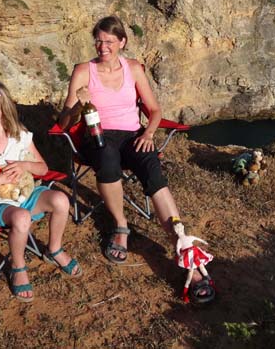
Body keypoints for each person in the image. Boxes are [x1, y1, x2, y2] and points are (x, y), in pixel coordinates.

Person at [59, 16, 215, 303]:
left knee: (152, 168)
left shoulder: (133, 69)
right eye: (99, 40)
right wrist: (78, 105)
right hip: (97, 137)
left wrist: (149, 134)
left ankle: (183, 247)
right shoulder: (84, 71)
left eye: (109, 41)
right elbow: (64, 122)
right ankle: (120, 226)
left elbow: (154, 110)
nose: (103, 46)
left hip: (133, 134)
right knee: (106, 155)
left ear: (122, 42)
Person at [0, 81, 81, 303]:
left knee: (61, 200)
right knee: (22, 217)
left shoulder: (20, 137)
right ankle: (18, 267)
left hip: (26, 195)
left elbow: (43, 169)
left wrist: (25, 166)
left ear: (3, 107)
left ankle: (54, 248)